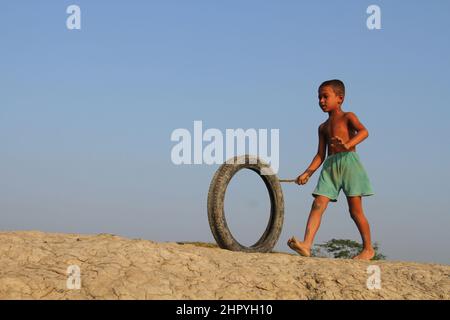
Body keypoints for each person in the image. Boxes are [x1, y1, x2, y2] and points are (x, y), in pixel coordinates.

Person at [287, 79, 375, 260]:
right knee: (318, 204)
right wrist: (307, 173)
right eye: (319, 97)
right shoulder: (323, 127)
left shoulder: (348, 116)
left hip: (349, 164)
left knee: (355, 211)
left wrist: (347, 145)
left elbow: (364, 132)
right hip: (330, 166)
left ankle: (368, 249)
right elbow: (320, 154)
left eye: (325, 96)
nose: (321, 101)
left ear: (340, 98)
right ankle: (306, 244)